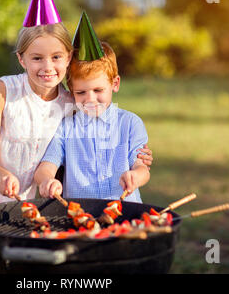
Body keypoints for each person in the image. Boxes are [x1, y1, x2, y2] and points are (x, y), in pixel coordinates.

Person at [0, 0, 153, 249]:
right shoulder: (2, 91)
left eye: (56, 57)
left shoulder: (71, 102)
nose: (47, 66)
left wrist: (141, 159)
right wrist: (5, 175)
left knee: (20, 264)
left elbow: (97, 132)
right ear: (21, 59)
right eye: (37, 58)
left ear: (68, 57)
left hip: (21, 199)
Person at [34, 11, 150, 203]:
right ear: (71, 91)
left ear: (115, 84)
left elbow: (142, 167)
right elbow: (48, 164)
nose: (90, 99)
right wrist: (47, 180)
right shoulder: (66, 127)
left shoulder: (130, 123)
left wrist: (135, 176)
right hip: (80, 216)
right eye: (81, 93)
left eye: (98, 90)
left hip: (123, 211)